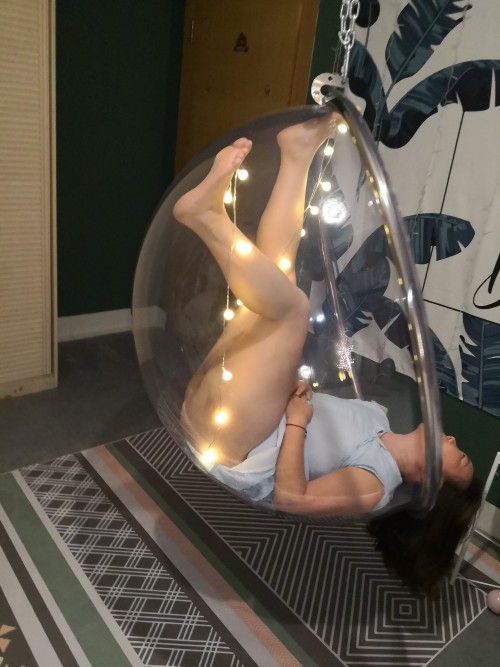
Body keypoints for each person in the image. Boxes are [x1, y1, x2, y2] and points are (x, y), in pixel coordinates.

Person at [173, 112, 482, 595]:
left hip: (239, 443)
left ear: (432, 480)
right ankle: (297, 157)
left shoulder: (376, 482)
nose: (455, 440)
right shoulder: (379, 421)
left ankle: (206, 216)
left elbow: (291, 498)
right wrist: (296, 399)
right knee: (278, 276)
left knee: (291, 311)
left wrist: (297, 421)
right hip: (236, 413)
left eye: (458, 456)